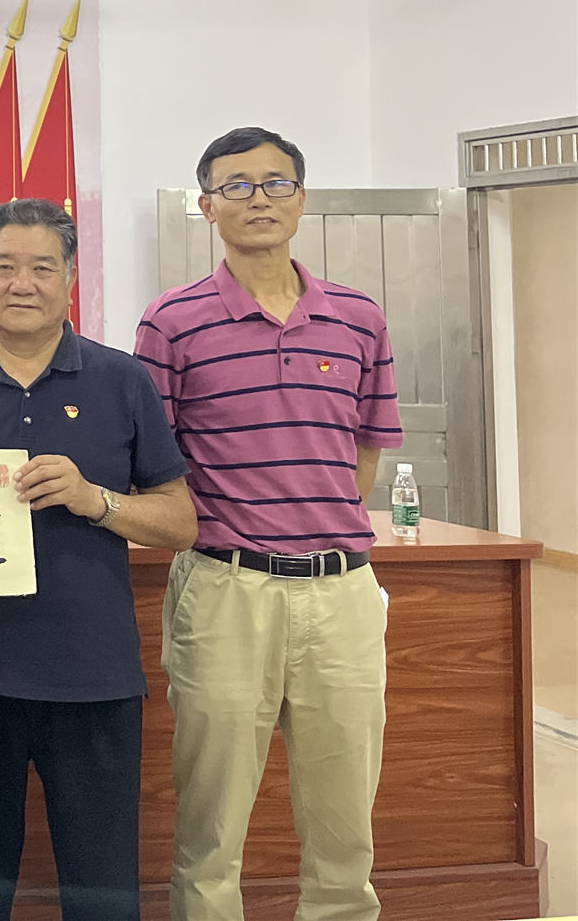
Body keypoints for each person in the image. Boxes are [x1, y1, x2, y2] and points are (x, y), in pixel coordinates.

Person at [0, 199, 196, 921]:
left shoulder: (122, 380)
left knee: (103, 893)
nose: (21, 283)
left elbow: (180, 522)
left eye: (41, 268)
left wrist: (97, 500)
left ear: (70, 278)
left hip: (95, 679)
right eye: (3, 266)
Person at [135, 129, 401, 921]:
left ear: (302, 198)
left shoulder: (359, 318)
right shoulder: (171, 322)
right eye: (238, 186)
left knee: (346, 819)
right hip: (226, 591)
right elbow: (155, 466)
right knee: (212, 822)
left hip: (342, 595)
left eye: (277, 183)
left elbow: (364, 452)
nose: (260, 199)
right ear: (207, 205)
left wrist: (316, 528)